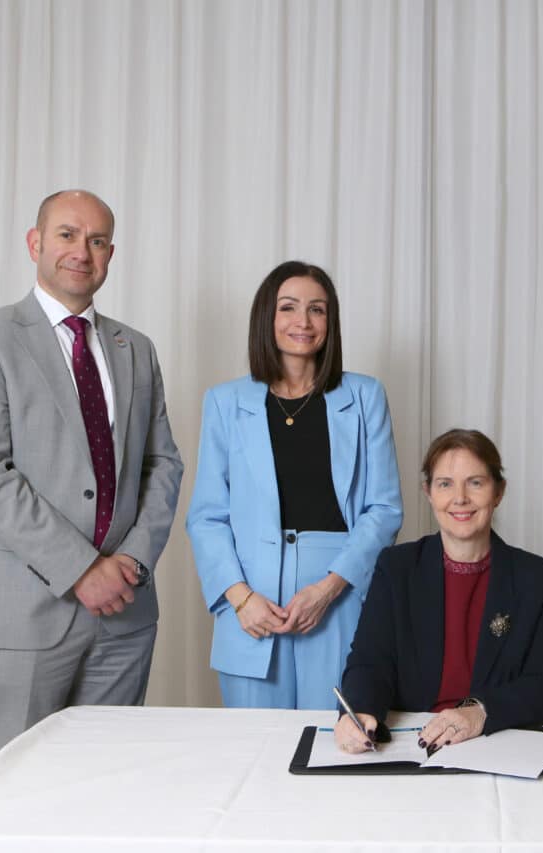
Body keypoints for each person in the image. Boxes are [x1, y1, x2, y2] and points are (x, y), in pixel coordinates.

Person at [0, 189, 184, 767]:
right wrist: (81, 569)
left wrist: (133, 563)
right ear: (35, 242)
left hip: (124, 607)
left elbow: (162, 464)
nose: (82, 251)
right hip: (21, 607)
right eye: (68, 234)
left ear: (111, 253)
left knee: (101, 779)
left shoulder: (135, 348)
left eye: (97, 240)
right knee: (10, 778)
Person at [187, 261, 402, 710]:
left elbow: (383, 510)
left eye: (317, 310)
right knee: (255, 755)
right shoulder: (225, 403)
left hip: (338, 597)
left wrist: (327, 589)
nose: (303, 322)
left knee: (337, 748)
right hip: (249, 603)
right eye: (289, 308)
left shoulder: (364, 397)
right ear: (267, 317)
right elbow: (207, 516)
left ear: (331, 322)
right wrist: (240, 599)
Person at [335, 429, 543, 753]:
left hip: (497, 741)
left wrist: (480, 712)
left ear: (498, 492)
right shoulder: (396, 568)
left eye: (475, 482)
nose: (460, 498)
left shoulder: (538, 578)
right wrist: (360, 711)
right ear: (428, 492)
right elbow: (370, 661)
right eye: (445, 483)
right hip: (410, 743)